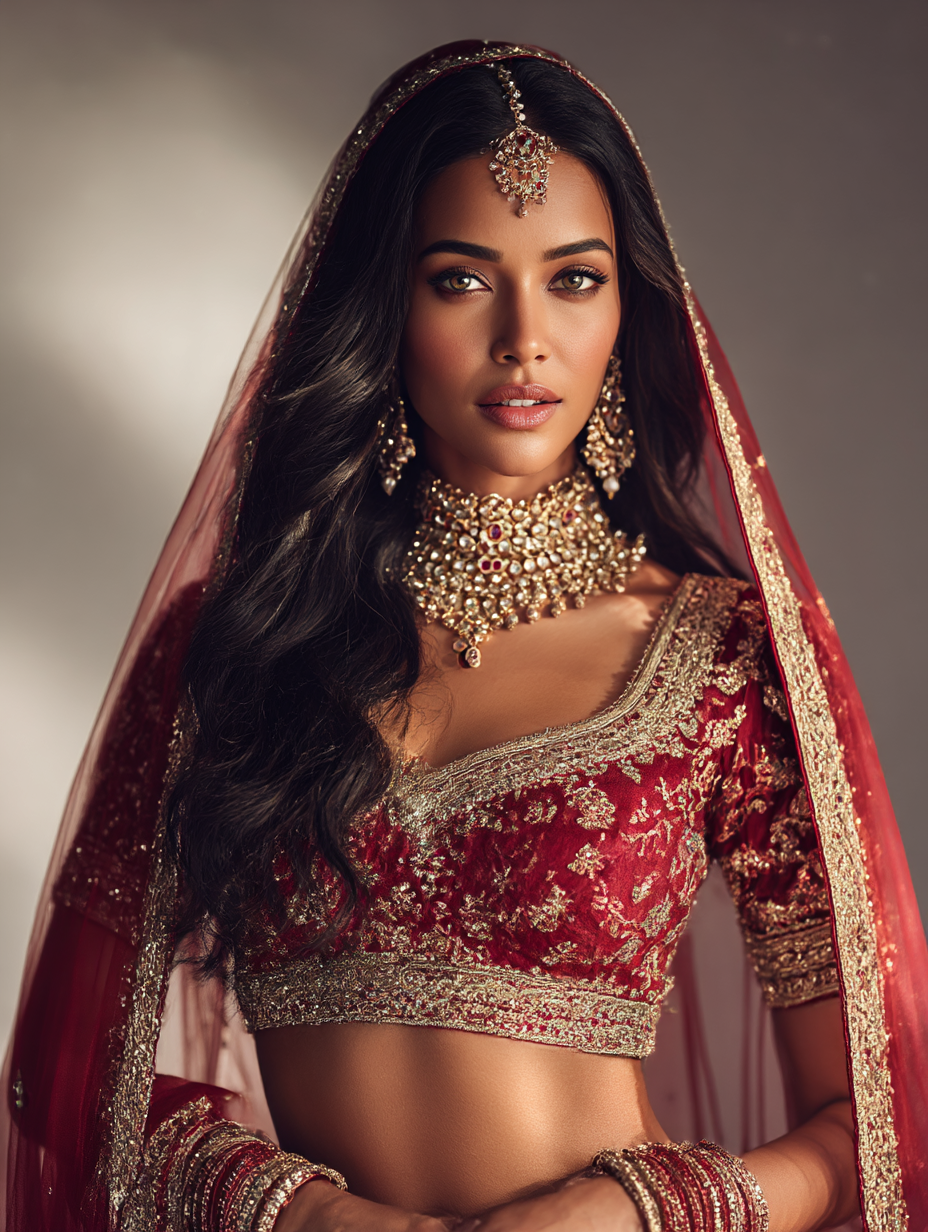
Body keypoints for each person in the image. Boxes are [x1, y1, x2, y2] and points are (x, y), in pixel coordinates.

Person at [2, 40, 926, 1232]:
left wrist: (635, 1213)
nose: (524, 338)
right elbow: (63, 1077)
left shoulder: (721, 662)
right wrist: (307, 1215)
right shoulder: (234, 650)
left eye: (575, 279)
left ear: (629, 303)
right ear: (380, 302)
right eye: (460, 279)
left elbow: (878, 1123)